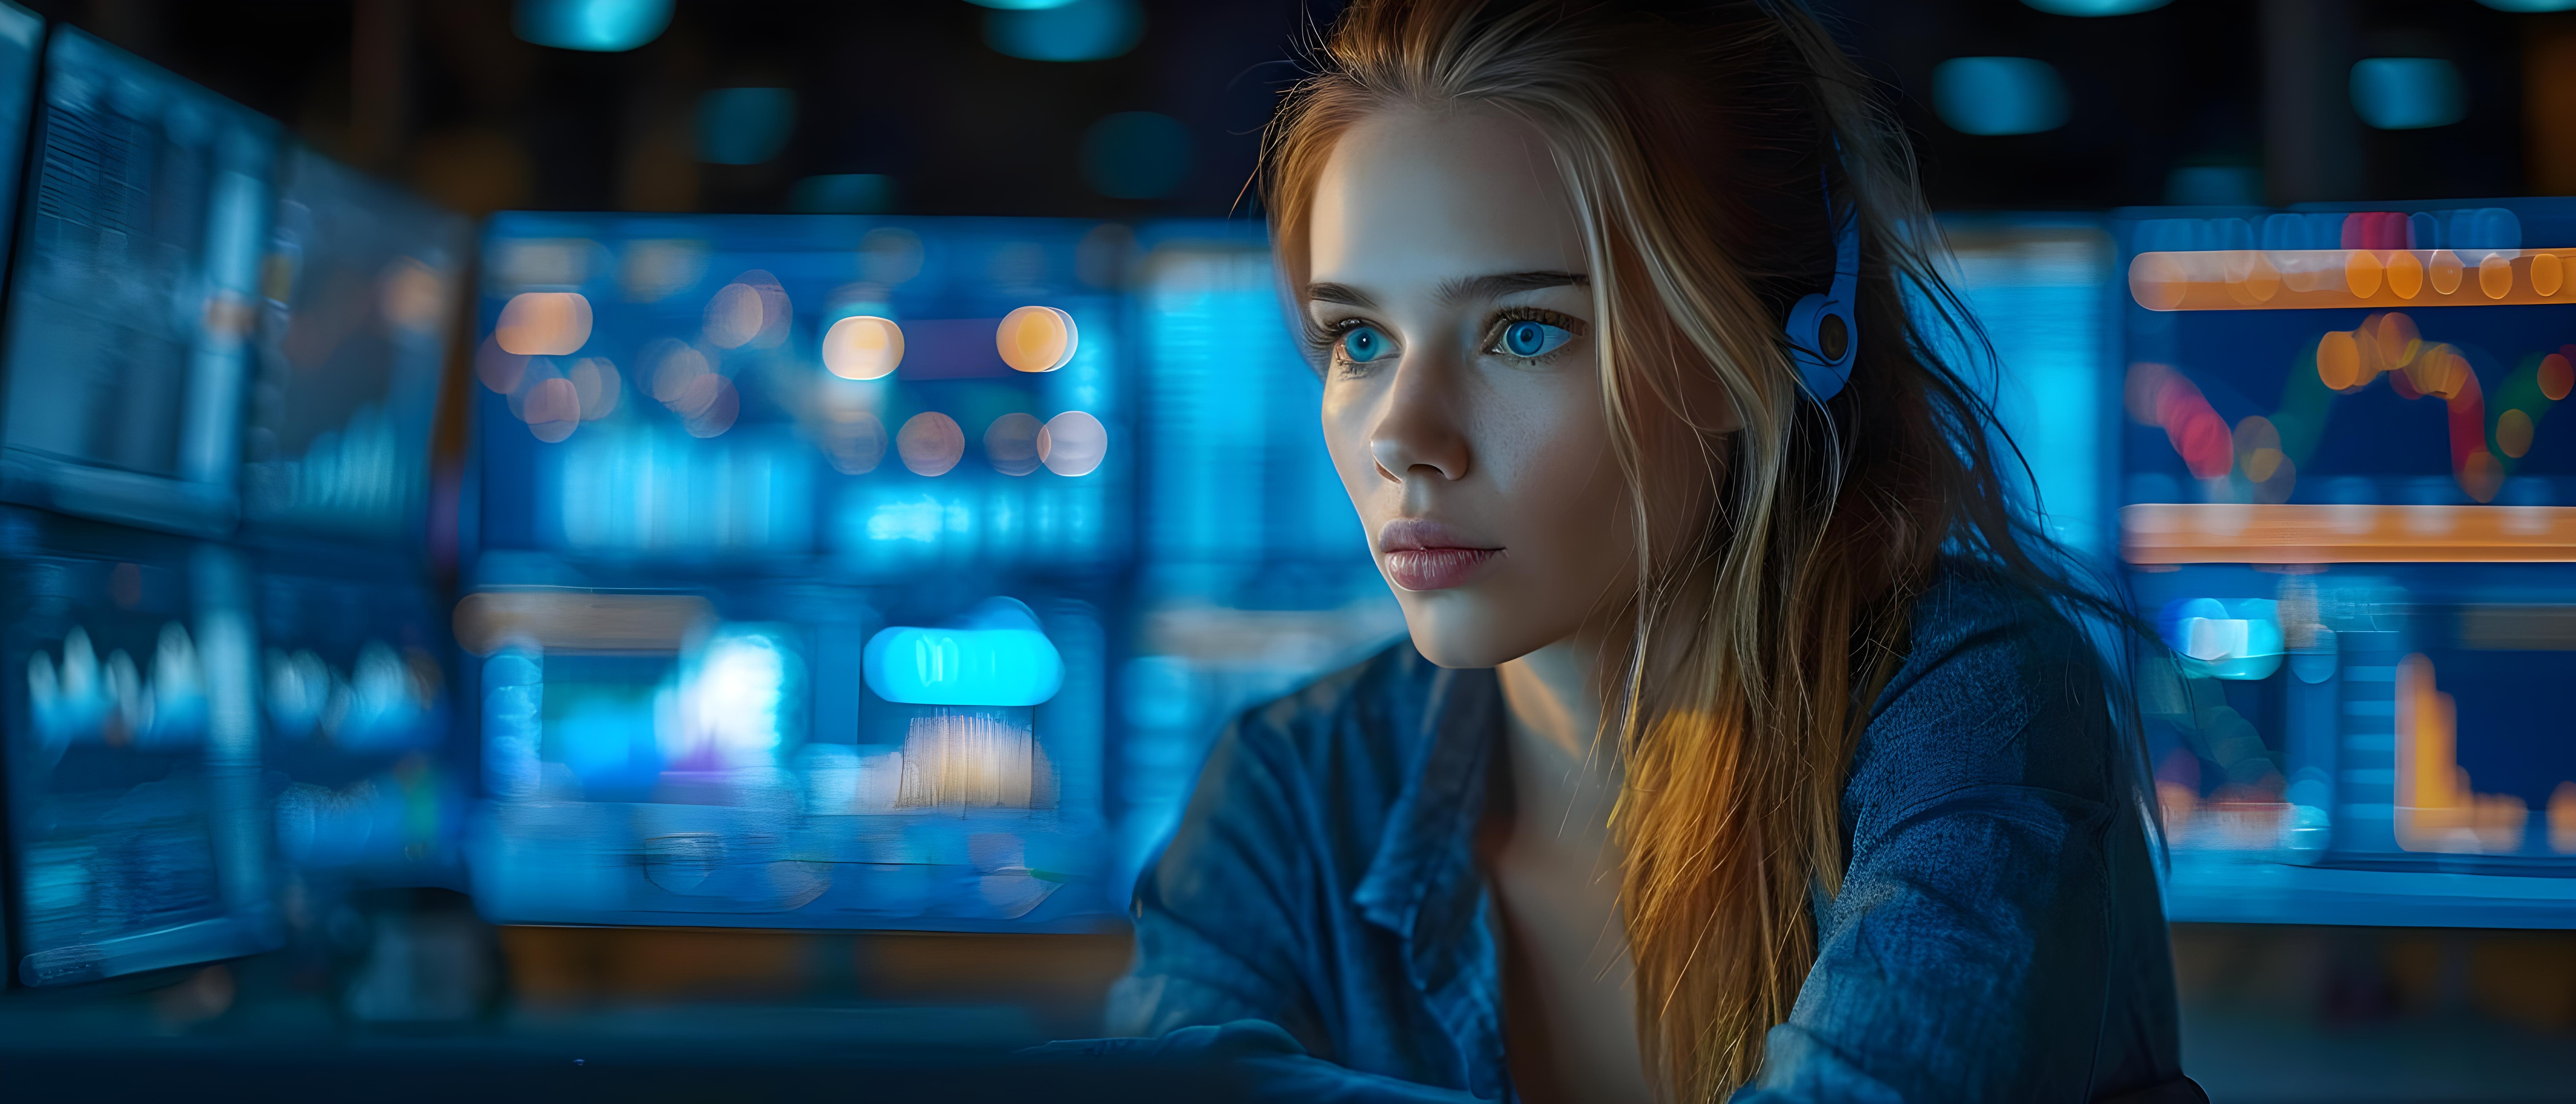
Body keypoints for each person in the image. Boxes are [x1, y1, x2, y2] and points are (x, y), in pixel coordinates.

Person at [1090, 1, 2199, 1100]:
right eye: (1359, 338)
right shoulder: (1291, 791)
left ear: (1758, 351)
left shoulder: (1973, 700)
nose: (1402, 439)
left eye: (1526, 330)